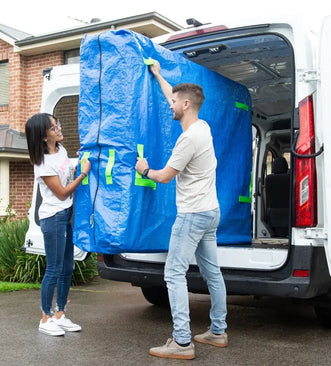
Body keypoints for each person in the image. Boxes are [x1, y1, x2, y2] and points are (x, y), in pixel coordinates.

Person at [135, 60, 228, 360]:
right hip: (211, 212)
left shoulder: (188, 140)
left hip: (192, 215)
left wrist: (145, 169)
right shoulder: (203, 126)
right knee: (213, 273)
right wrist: (159, 76)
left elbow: (163, 176)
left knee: (174, 273)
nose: (170, 106)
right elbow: (171, 96)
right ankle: (217, 331)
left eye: (174, 103)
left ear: (185, 104)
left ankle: (182, 342)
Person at [25, 113, 91, 336]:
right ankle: (45, 318)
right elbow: (62, 193)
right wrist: (82, 175)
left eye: (58, 124)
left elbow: (67, 172)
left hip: (65, 215)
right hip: (53, 218)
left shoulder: (61, 151)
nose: (59, 129)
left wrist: (78, 162)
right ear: (43, 137)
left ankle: (60, 314)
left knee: (67, 267)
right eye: (54, 128)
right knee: (53, 269)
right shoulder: (42, 164)